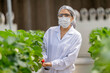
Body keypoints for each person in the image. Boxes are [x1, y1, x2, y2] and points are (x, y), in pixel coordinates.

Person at [41, 5, 82, 73]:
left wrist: (52, 64)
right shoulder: (50, 31)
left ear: (72, 18)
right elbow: (44, 48)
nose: (63, 17)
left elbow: (70, 59)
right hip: (49, 71)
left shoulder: (76, 36)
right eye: (61, 15)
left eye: (66, 15)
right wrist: (43, 59)